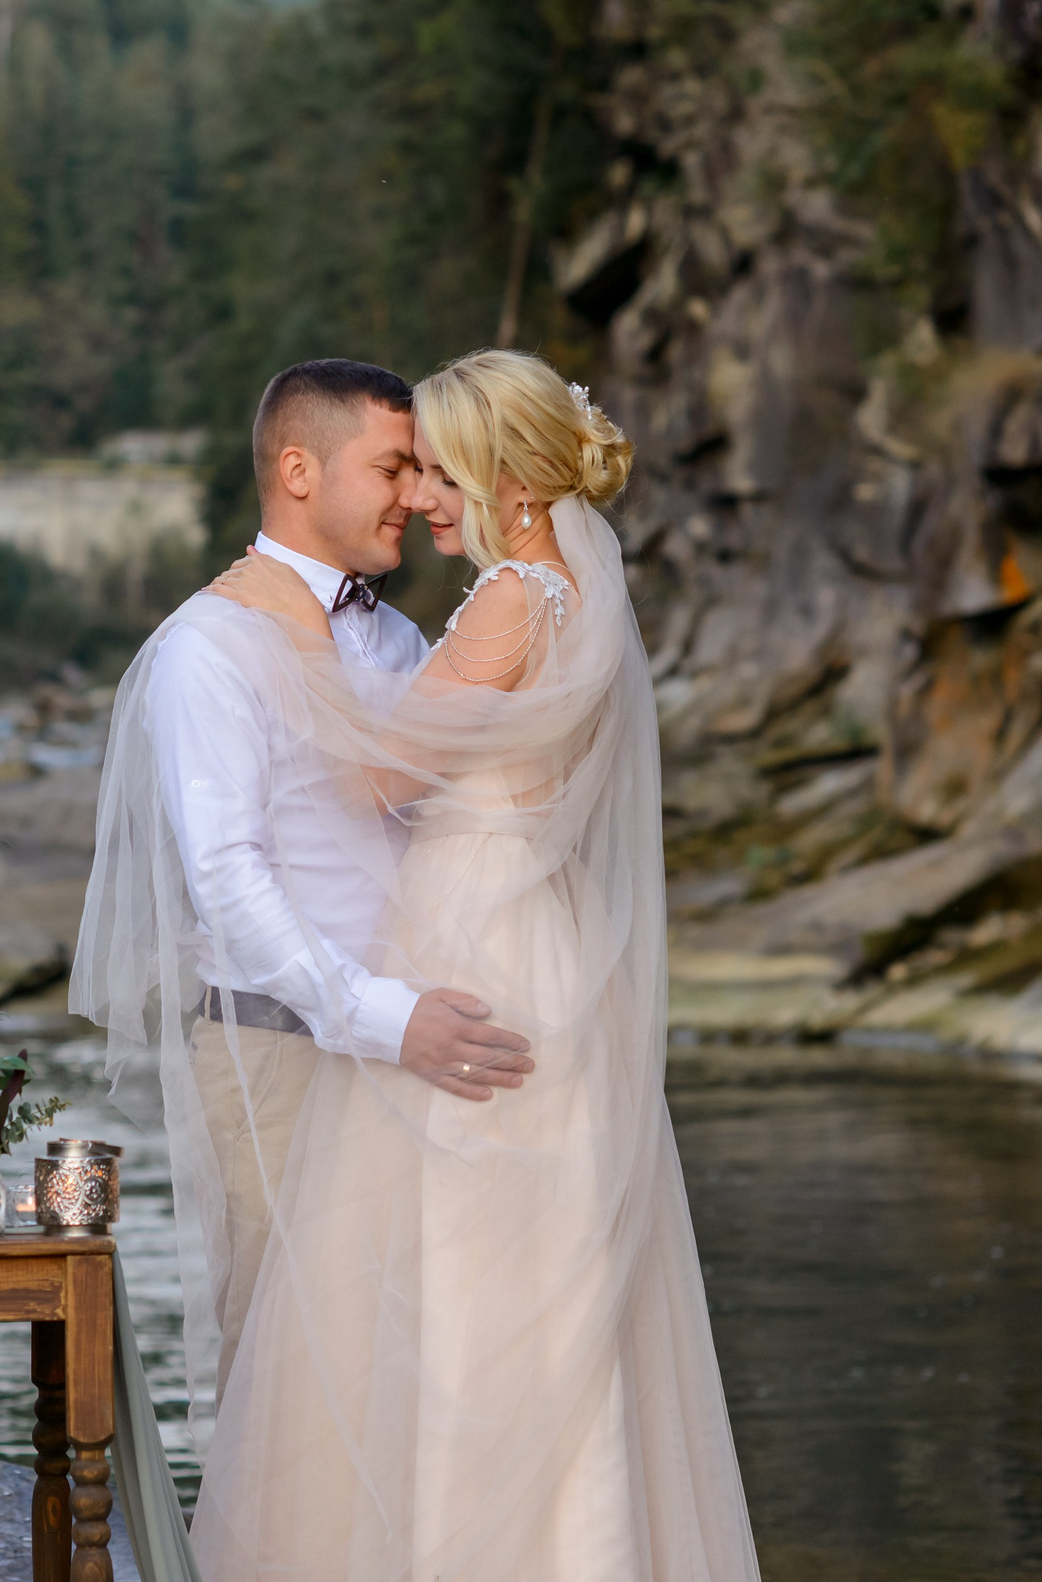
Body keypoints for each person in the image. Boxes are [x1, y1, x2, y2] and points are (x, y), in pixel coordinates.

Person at [77, 349, 759, 1580]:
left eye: (432, 469)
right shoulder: (212, 650)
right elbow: (230, 880)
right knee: (299, 1372)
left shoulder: (424, 628)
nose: (414, 495)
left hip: (448, 1006)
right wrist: (382, 1015)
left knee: (470, 1336)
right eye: (394, 468)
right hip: (296, 1038)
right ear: (298, 469)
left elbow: (389, 779)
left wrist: (403, 1016)